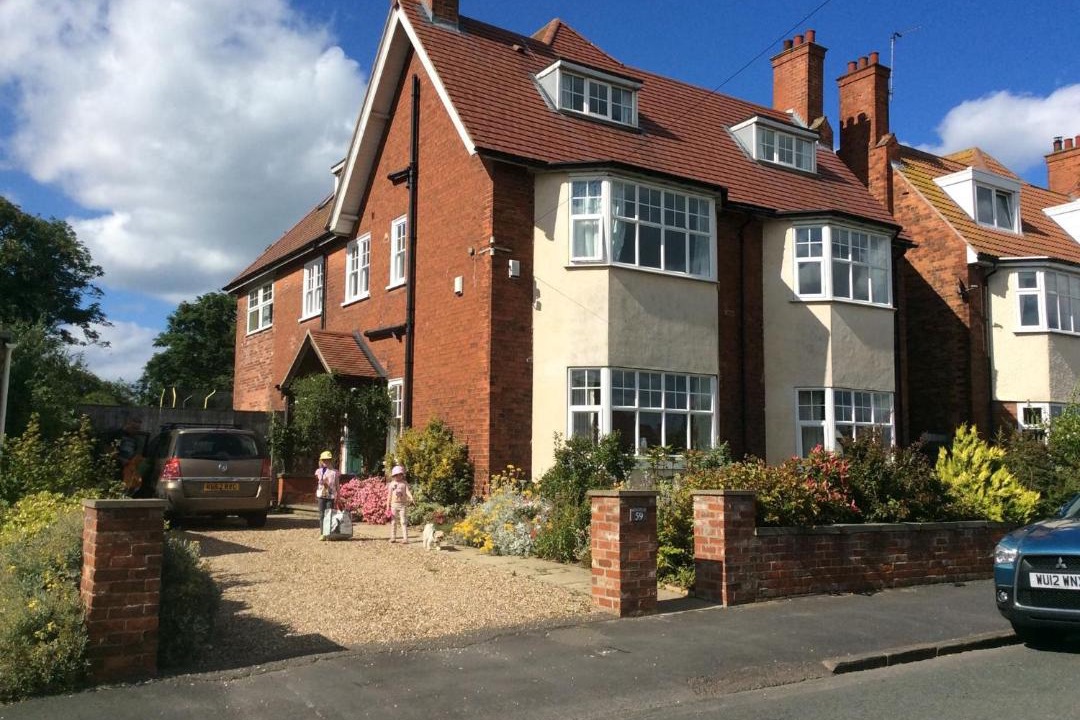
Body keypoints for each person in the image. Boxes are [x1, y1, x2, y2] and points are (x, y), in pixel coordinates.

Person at [385, 464, 414, 543]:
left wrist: (411, 497)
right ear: (394, 476)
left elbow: (407, 491)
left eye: (400, 475)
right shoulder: (391, 484)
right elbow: (389, 496)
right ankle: (393, 537)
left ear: (402, 475)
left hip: (403, 505)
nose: (398, 476)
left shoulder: (404, 483)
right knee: (393, 522)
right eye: (396, 475)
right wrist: (387, 506)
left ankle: (405, 538)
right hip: (394, 505)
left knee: (403, 521)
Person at [315, 450, 339, 540]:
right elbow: (320, 483)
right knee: (321, 515)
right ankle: (322, 534)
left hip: (331, 496)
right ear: (321, 461)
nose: (325, 461)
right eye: (324, 460)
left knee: (329, 515)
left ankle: (328, 533)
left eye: (327, 460)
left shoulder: (335, 472)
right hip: (321, 495)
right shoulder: (319, 471)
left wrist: (339, 496)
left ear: (330, 460)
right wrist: (322, 481)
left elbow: (337, 485)